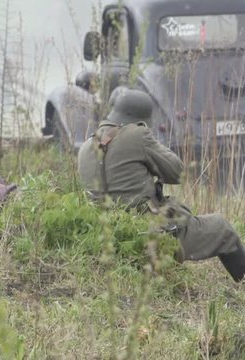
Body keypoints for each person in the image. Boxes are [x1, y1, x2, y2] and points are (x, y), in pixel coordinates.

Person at [77, 88, 245, 282]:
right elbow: (177, 172)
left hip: (104, 239)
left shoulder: (85, 147)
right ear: (140, 119)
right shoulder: (137, 135)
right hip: (146, 236)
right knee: (221, 228)